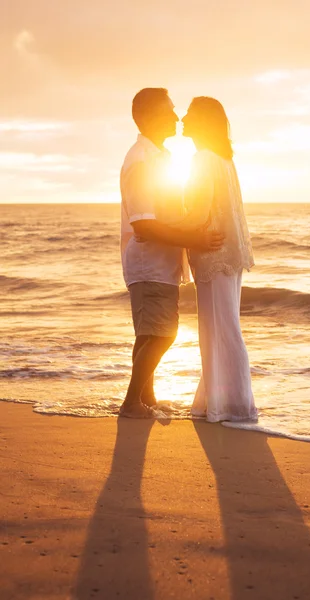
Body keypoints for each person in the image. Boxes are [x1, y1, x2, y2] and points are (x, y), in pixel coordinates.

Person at [119, 88, 224, 418]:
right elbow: (144, 224)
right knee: (165, 333)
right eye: (169, 110)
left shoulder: (159, 157)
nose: (177, 117)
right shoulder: (141, 160)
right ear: (149, 116)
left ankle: (145, 399)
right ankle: (131, 403)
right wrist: (193, 238)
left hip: (158, 265)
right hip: (148, 262)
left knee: (149, 333)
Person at [175, 96, 258, 422]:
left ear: (204, 121)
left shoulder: (204, 160)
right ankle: (215, 401)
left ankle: (235, 406)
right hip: (229, 253)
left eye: (191, 113)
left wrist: (166, 231)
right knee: (222, 327)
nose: (183, 117)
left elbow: (197, 211)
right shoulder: (223, 160)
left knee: (219, 329)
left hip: (213, 253)